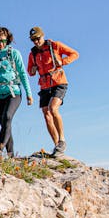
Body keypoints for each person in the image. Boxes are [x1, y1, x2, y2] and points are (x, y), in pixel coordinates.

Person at [0, 26, 33, 159]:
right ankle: (11, 156)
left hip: (13, 93)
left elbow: (22, 73)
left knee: (7, 117)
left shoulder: (14, 54)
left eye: (3, 41)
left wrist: (28, 93)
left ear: (8, 40)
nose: (1, 44)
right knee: (5, 124)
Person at [27, 26, 79, 157]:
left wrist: (63, 61)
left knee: (53, 108)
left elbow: (75, 54)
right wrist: (32, 71)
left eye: (37, 38)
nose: (36, 42)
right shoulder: (32, 53)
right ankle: (57, 147)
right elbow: (30, 71)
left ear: (42, 36)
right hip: (44, 86)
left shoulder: (55, 46)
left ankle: (62, 140)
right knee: (46, 114)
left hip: (59, 82)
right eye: (33, 40)